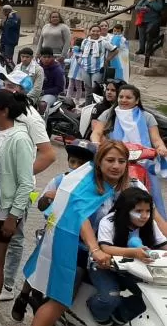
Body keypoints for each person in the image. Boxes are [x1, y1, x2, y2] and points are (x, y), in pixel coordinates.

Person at [26, 141, 133, 326]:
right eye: (110, 160)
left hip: (111, 253)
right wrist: (95, 249)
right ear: (99, 162)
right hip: (74, 248)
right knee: (59, 302)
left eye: (121, 161)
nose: (116, 166)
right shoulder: (85, 185)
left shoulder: (132, 186)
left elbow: (153, 214)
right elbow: (80, 216)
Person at [0, 89, 35, 302]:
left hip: (3, 210)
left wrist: (13, 216)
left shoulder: (19, 139)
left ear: (4, 111)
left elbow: (26, 182)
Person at [90, 187, 166, 325]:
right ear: (125, 210)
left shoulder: (150, 223)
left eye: (148, 211)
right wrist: (133, 252)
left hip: (133, 269)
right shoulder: (109, 222)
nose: (145, 216)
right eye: (139, 211)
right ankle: (98, 313)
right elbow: (105, 248)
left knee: (151, 298)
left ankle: (121, 315)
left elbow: (163, 244)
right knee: (109, 298)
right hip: (104, 266)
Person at [93, 84, 167, 215]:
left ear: (137, 100)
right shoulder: (109, 114)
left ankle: (156, 223)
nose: (123, 100)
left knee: (153, 193)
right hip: (115, 157)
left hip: (143, 160)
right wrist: (95, 142)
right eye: (121, 97)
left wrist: (161, 147)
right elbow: (97, 132)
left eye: (128, 97)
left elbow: (156, 139)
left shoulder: (147, 117)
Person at [82, 24, 119, 90]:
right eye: (93, 31)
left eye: (98, 31)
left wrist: (107, 59)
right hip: (85, 68)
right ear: (90, 31)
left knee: (95, 88)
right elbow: (82, 51)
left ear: (100, 32)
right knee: (87, 88)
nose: (95, 33)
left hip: (98, 69)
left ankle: (95, 97)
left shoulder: (104, 41)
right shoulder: (85, 41)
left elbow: (115, 50)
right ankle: (88, 98)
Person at [136, 0, 164, 64]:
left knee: (149, 35)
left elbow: (158, 8)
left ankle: (148, 51)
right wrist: (143, 8)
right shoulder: (143, 0)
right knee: (141, 36)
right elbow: (137, 8)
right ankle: (141, 49)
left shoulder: (158, 1)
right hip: (142, 20)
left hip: (153, 21)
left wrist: (150, 4)